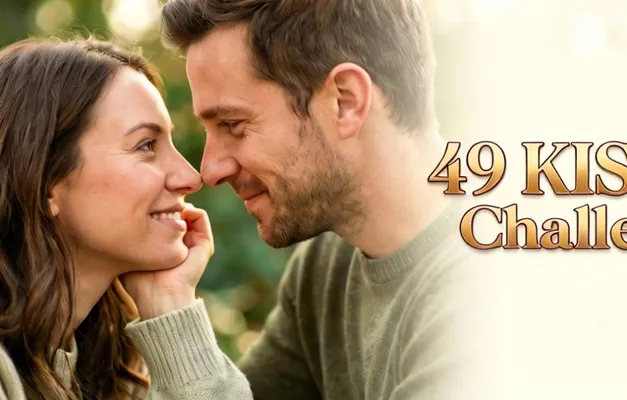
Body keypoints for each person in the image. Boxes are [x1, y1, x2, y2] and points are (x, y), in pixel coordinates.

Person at [153, 0, 489, 399]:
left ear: (345, 101)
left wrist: (171, 314)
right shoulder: (330, 261)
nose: (210, 170)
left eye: (233, 125)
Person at [0, 37, 253, 399]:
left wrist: (170, 303)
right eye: (146, 145)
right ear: (45, 183)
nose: (190, 177)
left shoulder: (102, 371)